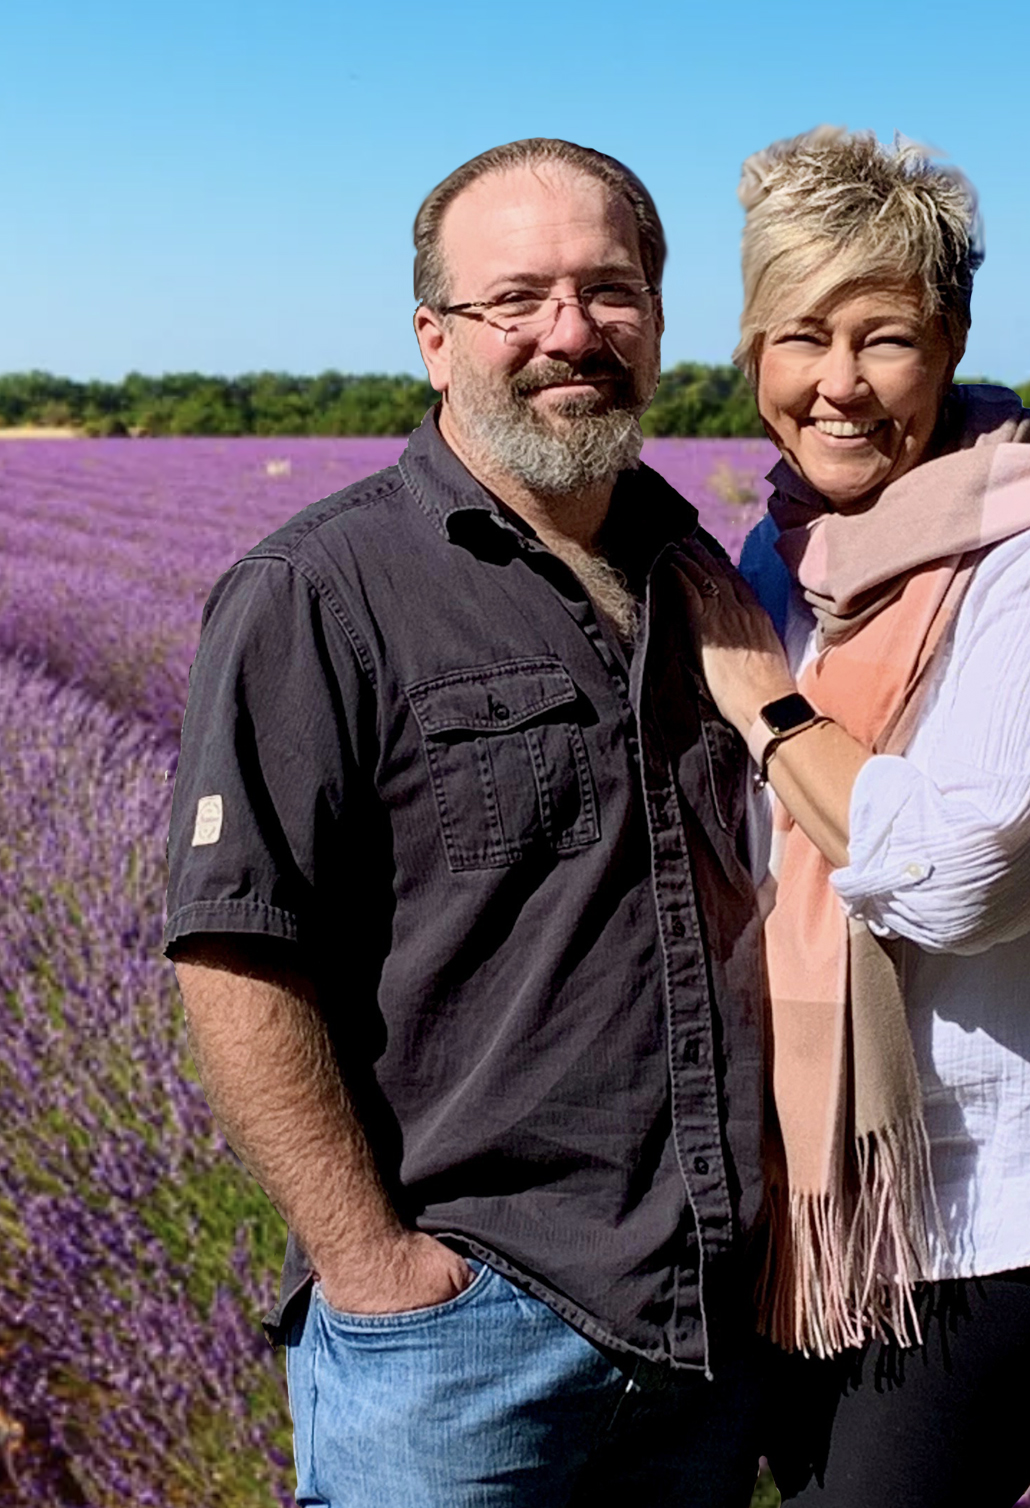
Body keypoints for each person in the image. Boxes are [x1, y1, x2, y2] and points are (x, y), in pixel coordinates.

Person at [164, 138, 769, 1508]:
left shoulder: (695, 573)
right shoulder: (318, 592)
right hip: (463, 1340)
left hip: (703, 1326)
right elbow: (234, 952)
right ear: (436, 341)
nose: (571, 332)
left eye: (611, 291)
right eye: (518, 299)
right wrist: (373, 1265)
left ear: (660, 323)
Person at [677, 126, 1030, 1506]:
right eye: (801, 336)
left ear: (955, 338)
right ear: (751, 350)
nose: (840, 385)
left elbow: (958, 874)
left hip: (997, 1200)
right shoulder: (781, 548)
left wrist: (769, 710)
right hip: (805, 1193)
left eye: (887, 338)